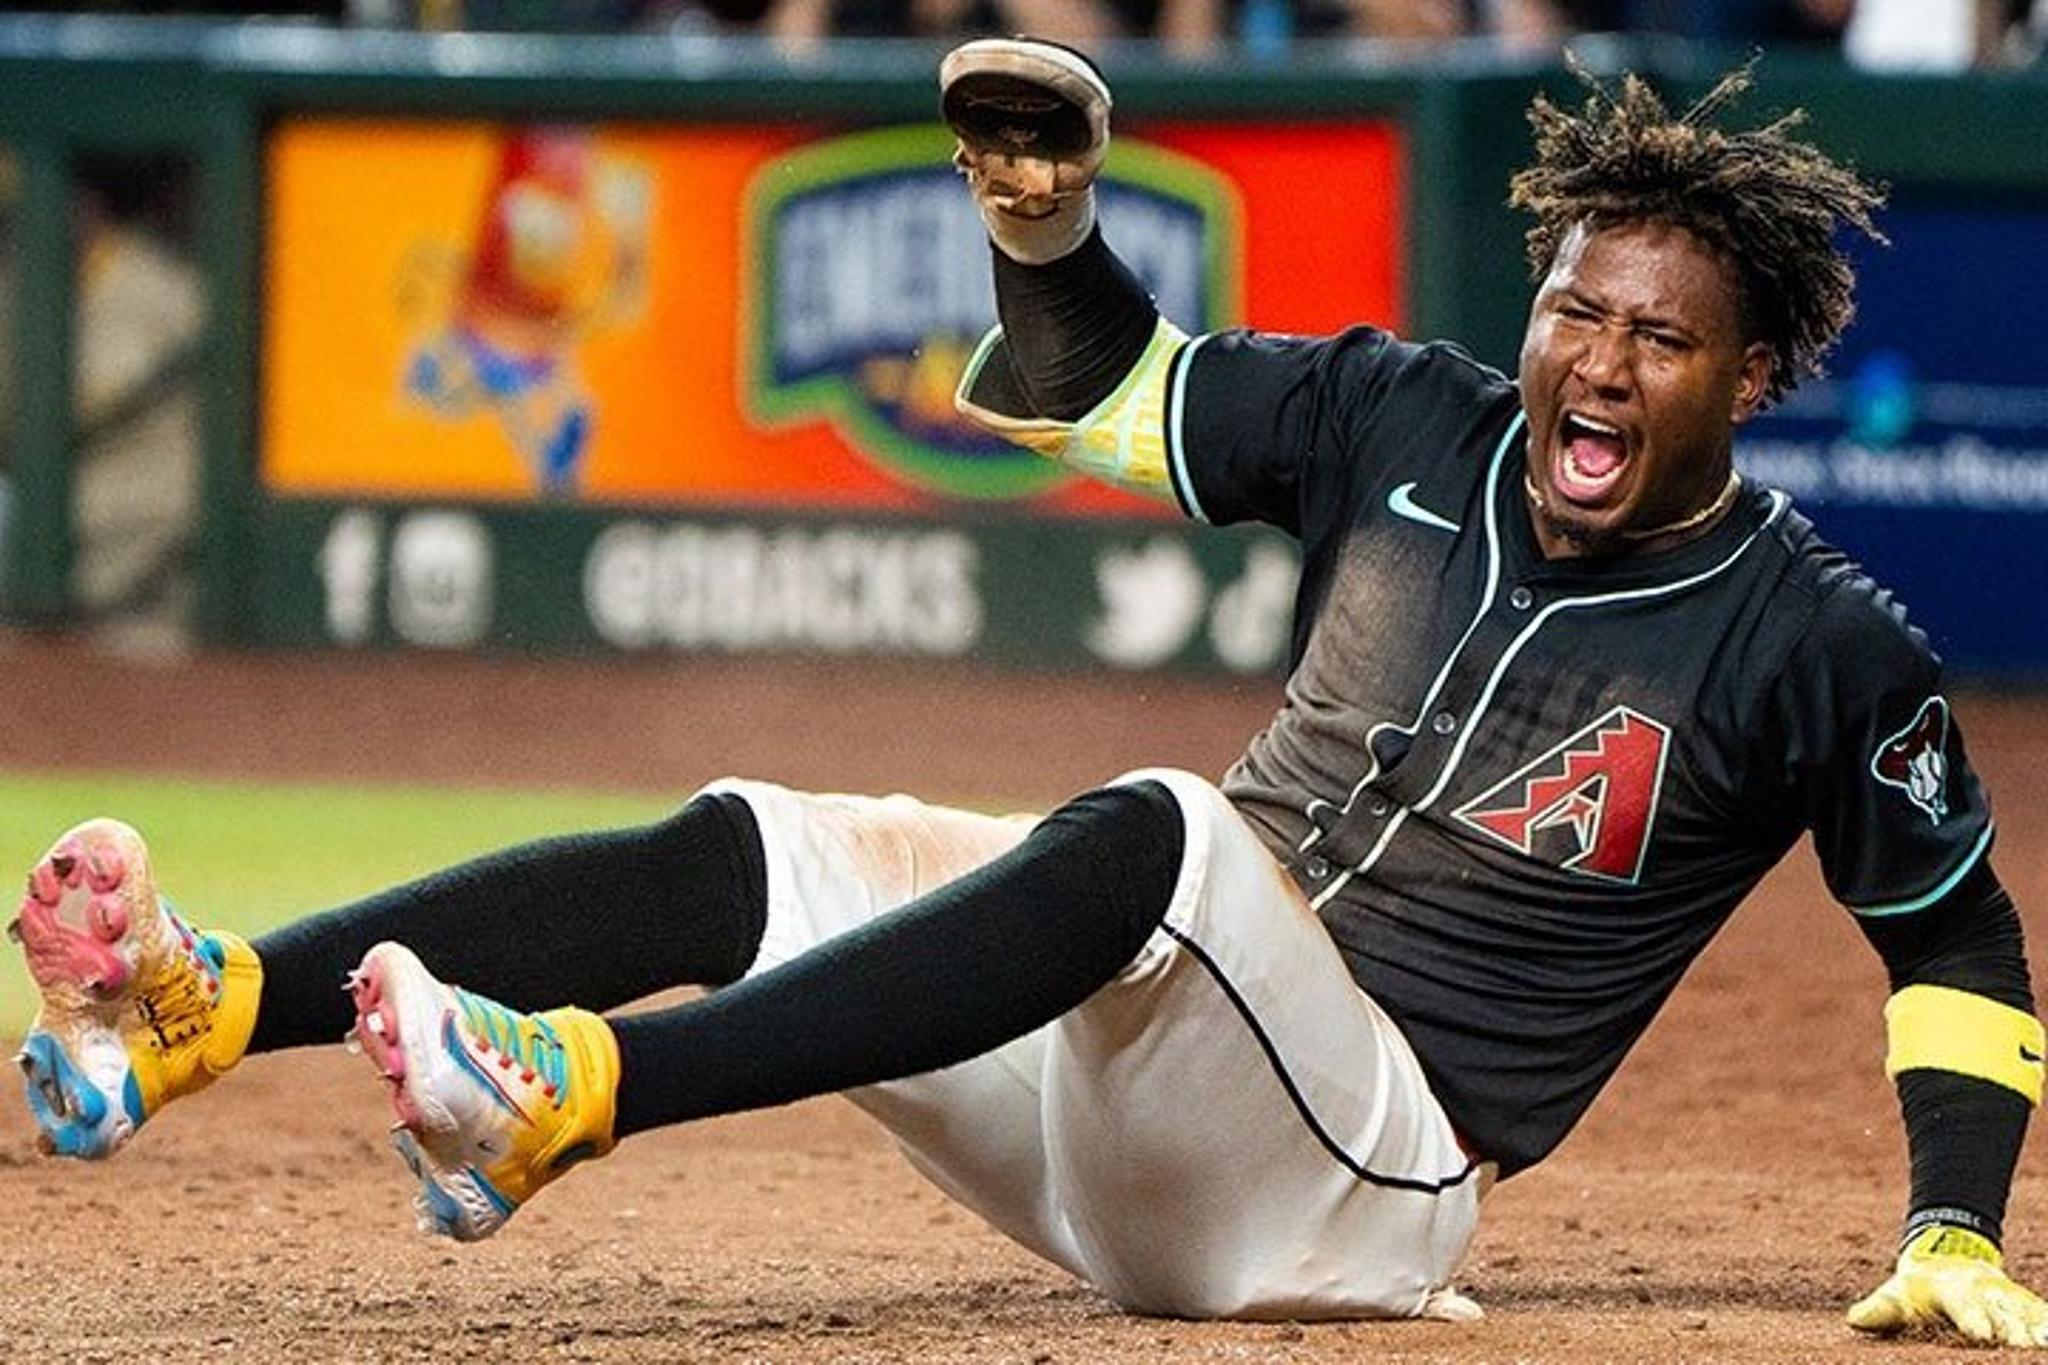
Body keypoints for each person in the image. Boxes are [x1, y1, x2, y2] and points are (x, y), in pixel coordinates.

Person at [12, 39, 2047, 1343]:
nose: (1595, 364)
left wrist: (1957, 1221)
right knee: (762, 842)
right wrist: (1048, 229)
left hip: (1357, 1182)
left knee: (1163, 832)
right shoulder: (1400, 415)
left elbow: (1945, 910)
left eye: (1658, 340)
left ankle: (589, 1088)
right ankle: (199, 1017)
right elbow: (1100, 382)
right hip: (1127, 1093)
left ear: (1747, 378)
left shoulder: (1810, 635)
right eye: (1570, 309)